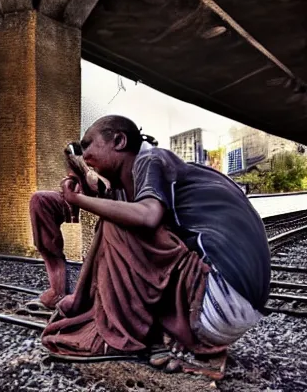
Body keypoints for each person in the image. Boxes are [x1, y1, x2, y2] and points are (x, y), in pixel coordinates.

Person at [28, 115, 270, 379]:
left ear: (119, 140)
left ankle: (120, 337)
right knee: (56, 203)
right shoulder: (132, 180)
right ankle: (63, 293)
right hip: (227, 304)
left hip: (217, 299)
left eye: (88, 145)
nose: (84, 154)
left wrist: (79, 200)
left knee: (119, 223)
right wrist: (73, 196)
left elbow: (147, 216)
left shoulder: (150, 159)